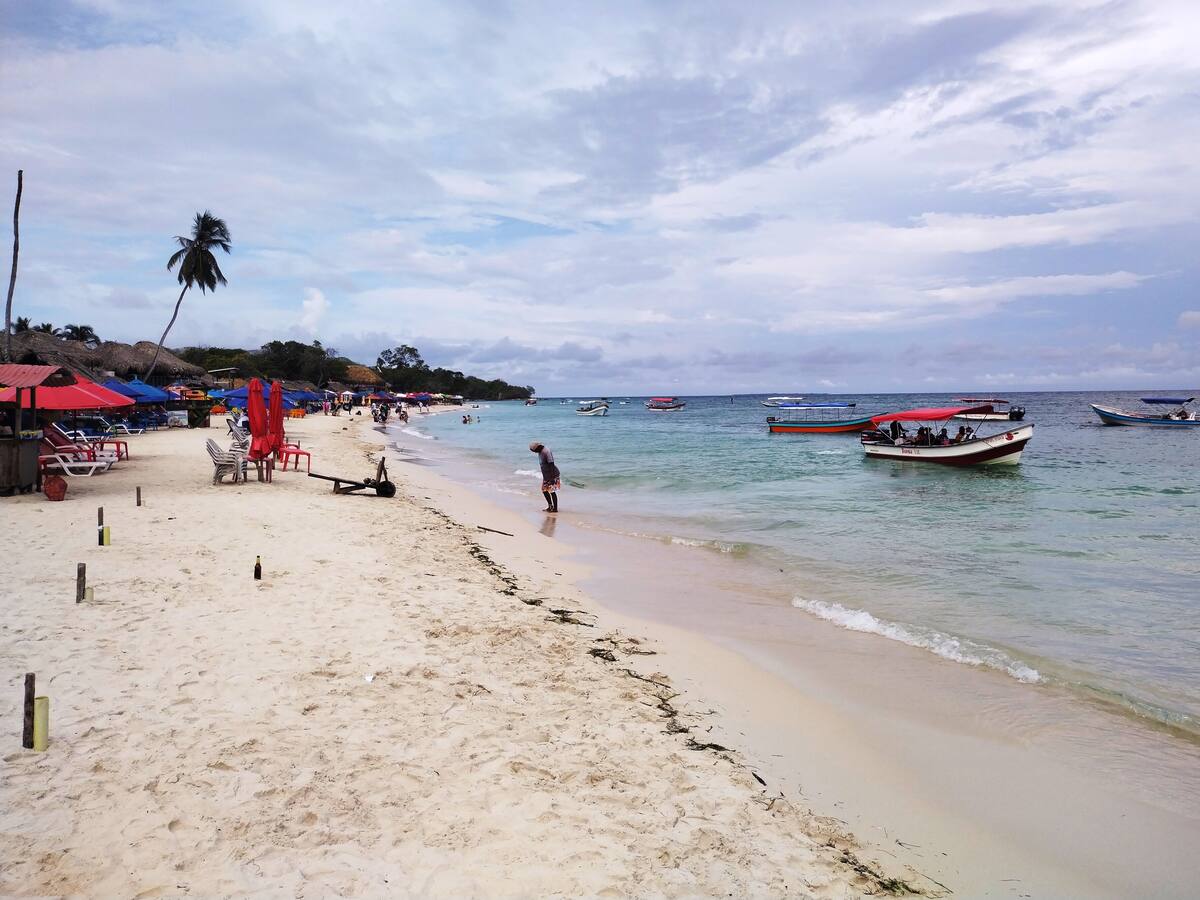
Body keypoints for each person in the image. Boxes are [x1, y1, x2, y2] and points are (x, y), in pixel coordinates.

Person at [529, 441, 560, 512]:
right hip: (546, 475)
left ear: (537, 447)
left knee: (552, 491)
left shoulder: (546, 451)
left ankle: (555, 509)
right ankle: (550, 506)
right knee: (544, 490)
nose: (534, 452)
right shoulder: (540, 451)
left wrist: (552, 478)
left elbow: (551, 464)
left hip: (552, 474)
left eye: (534, 450)